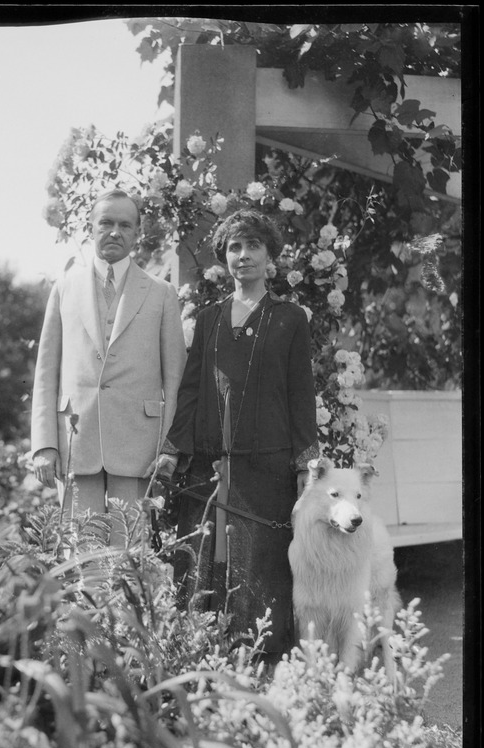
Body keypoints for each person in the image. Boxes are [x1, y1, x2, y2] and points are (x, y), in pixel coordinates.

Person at [151, 209, 319, 662]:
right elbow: (189, 392)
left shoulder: (290, 319)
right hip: (209, 465)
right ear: (224, 259)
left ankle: (263, 666)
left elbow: (303, 395)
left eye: (252, 246)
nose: (243, 256)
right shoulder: (207, 320)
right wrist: (171, 452)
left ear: (270, 257)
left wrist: (306, 464)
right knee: (203, 561)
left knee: (261, 566)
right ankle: (204, 662)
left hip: (266, 469)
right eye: (234, 248)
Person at [31, 188, 187, 530]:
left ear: (136, 233)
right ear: (91, 227)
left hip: (140, 447)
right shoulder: (64, 288)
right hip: (76, 440)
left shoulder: (161, 294)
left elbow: (176, 380)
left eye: (125, 224)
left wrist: (170, 446)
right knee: (81, 551)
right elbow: (46, 374)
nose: (115, 231)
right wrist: (44, 444)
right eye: (106, 223)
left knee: (129, 558)